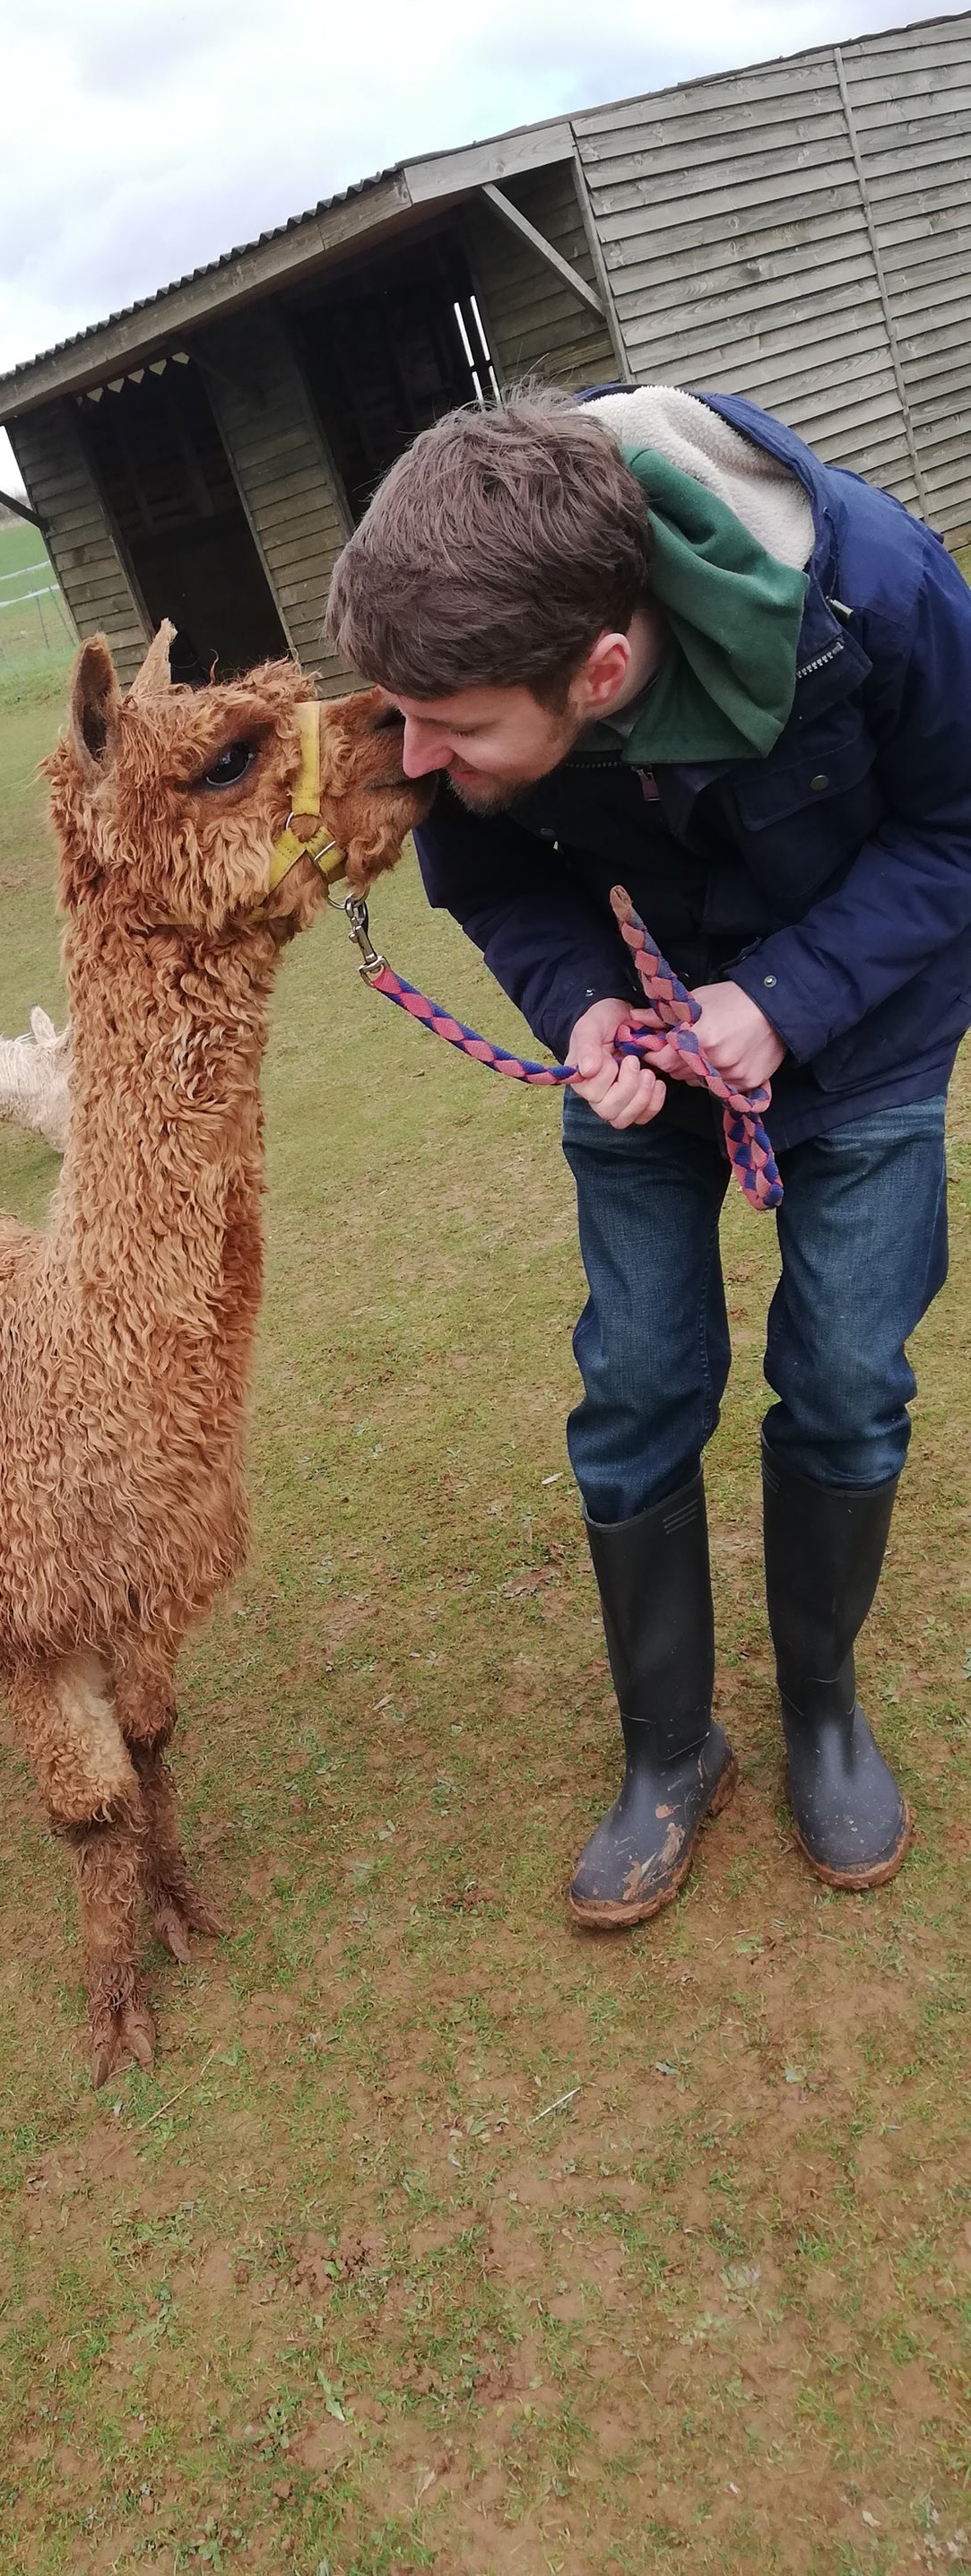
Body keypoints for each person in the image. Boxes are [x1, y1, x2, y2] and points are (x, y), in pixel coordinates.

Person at [325, 382, 971, 1926]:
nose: (407, 760)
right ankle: (669, 1750)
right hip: (644, 1045)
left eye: (455, 729)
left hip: (866, 1036)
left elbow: (959, 827)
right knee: (638, 1379)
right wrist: (582, 1011)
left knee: (838, 1377)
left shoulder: (878, 594)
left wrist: (792, 1001)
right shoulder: (466, 678)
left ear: (602, 668)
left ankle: (821, 1714)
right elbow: (489, 883)